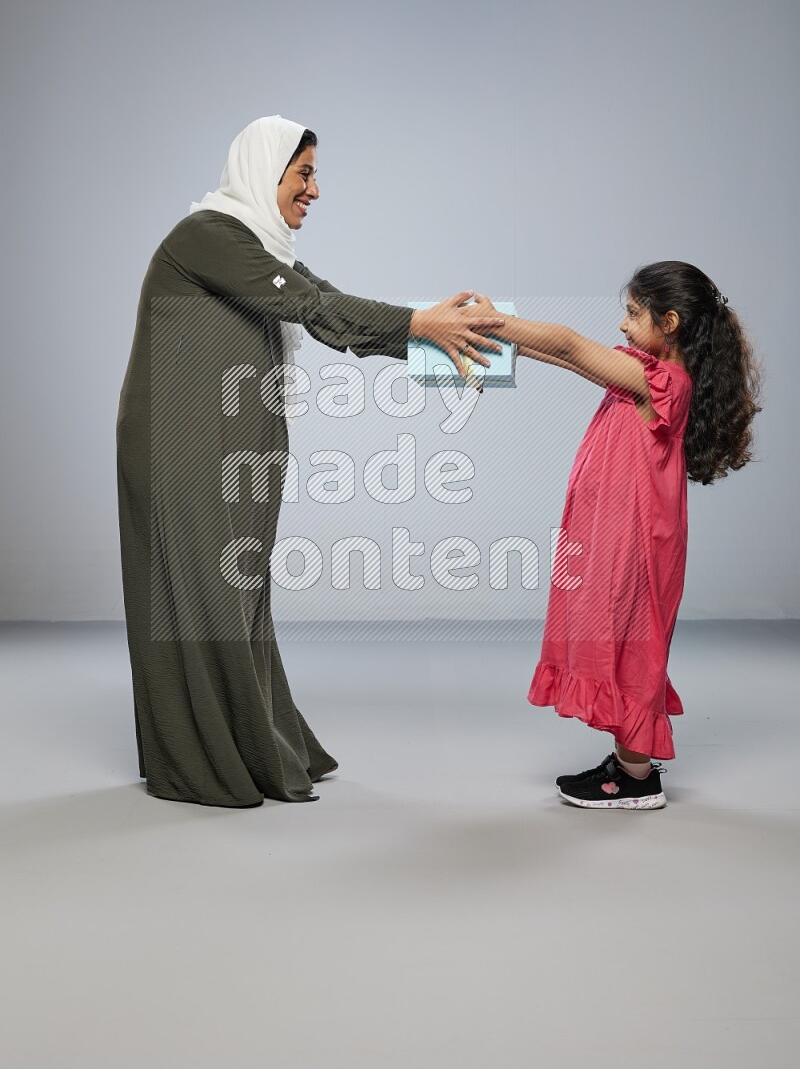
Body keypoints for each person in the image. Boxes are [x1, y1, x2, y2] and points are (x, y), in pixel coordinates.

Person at [116, 115, 504, 808]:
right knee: (201, 595)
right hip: (182, 443)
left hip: (236, 440)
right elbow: (313, 305)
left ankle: (251, 743)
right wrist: (420, 325)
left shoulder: (256, 245)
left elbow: (327, 307)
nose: (315, 190)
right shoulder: (206, 235)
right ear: (265, 172)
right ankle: (199, 757)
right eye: (304, 174)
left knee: (237, 590)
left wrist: (444, 336)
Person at [472, 264, 760, 808]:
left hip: (636, 539)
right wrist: (491, 335)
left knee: (633, 639)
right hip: (619, 530)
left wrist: (496, 322)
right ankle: (630, 762)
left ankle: (636, 778)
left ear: (669, 322)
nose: (623, 325)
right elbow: (564, 357)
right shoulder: (642, 370)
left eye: (633, 313)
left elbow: (571, 344)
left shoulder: (665, 382)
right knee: (623, 634)